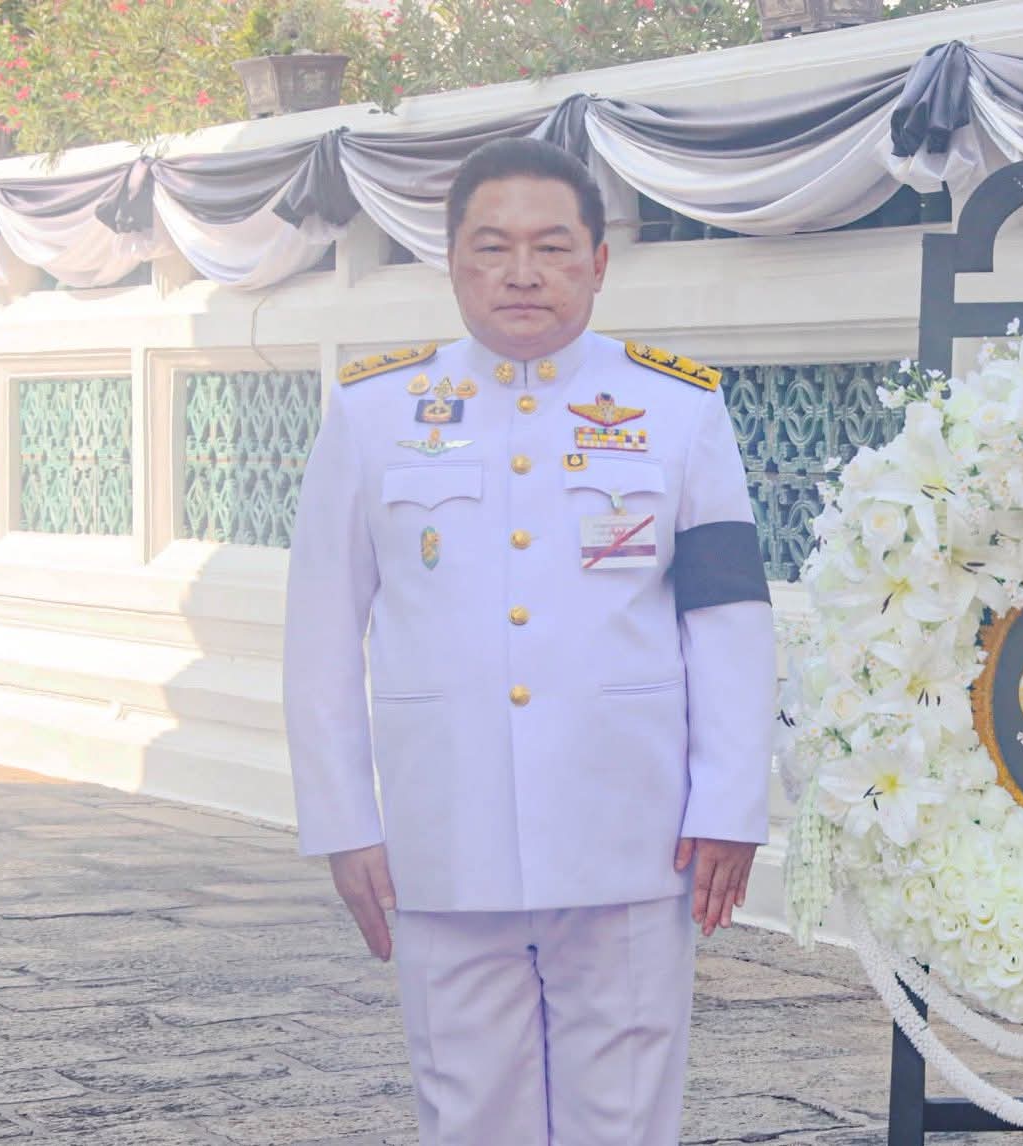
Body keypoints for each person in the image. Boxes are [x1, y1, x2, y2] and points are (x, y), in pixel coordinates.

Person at [281, 136, 776, 1145]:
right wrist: (342, 821)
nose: (520, 273)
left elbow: (724, 618)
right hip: (442, 834)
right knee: (468, 1114)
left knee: (625, 1117)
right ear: (451, 261)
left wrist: (730, 800)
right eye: (490, 247)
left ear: (598, 262)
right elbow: (321, 628)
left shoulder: (677, 411)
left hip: (633, 832)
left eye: (551, 248)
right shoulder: (371, 414)